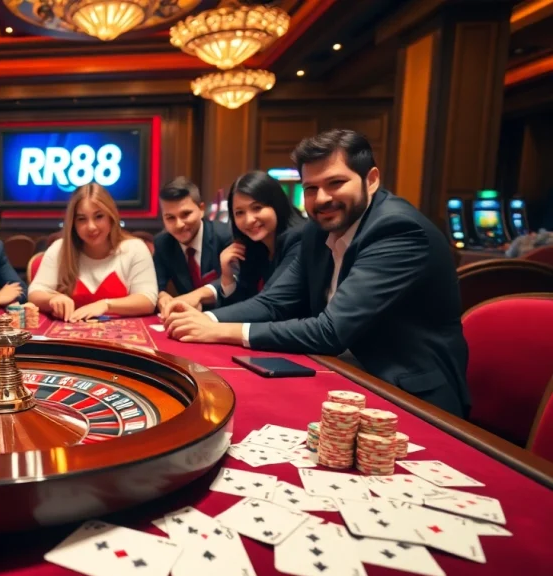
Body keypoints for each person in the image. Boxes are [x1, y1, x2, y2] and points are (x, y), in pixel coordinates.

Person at [165, 129, 470, 417]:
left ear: (371, 179)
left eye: (335, 183)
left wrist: (217, 330)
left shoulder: (397, 230)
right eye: (311, 188)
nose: (321, 198)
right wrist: (206, 319)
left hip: (409, 395)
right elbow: (274, 302)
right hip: (340, 374)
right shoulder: (316, 230)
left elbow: (330, 331)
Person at [28, 183, 158, 322]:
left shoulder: (135, 248)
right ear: (73, 223)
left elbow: (148, 300)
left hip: (121, 337)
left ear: (111, 216)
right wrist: (52, 299)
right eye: (82, 219)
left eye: (98, 216)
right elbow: (35, 292)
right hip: (70, 338)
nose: (91, 226)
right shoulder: (60, 248)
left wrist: (105, 305)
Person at [209, 170, 305, 308]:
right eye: (239, 213)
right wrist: (227, 276)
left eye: (257, 208)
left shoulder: (298, 239)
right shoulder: (255, 248)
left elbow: (268, 304)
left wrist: (208, 318)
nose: (249, 220)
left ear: (277, 204)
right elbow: (240, 304)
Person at [152, 177, 232, 318]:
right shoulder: (163, 243)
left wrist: (196, 296)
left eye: (186, 214)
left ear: (201, 209)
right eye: (170, 217)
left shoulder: (225, 236)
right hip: (188, 320)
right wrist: (162, 296)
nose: (178, 224)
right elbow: (156, 283)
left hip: (228, 317)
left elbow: (236, 281)